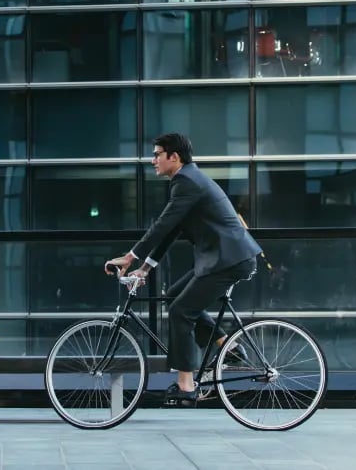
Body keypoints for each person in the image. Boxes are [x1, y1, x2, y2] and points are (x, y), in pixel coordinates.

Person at [105, 132, 262, 404]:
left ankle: (186, 385)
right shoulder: (188, 179)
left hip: (227, 259)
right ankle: (230, 348)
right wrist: (145, 268)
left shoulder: (187, 181)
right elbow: (173, 229)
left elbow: (164, 224)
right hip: (221, 258)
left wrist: (130, 256)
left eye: (157, 154)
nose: (152, 160)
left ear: (173, 157)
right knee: (174, 297)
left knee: (181, 311)